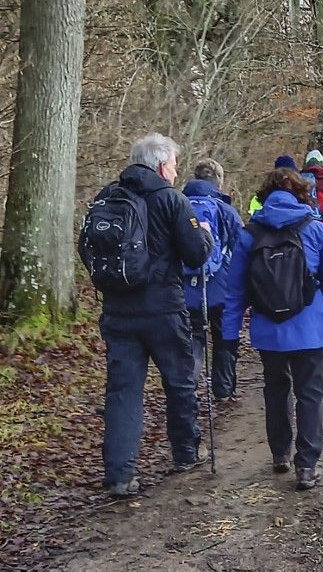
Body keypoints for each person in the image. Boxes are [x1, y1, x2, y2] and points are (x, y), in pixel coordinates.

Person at [78, 133, 213, 498]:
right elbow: (196, 256)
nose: (175, 170)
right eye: (173, 164)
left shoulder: (107, 197)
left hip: (118, 310)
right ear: (161, 165)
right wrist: (205, 234)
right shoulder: (172, 200)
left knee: (123, 392)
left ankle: (120, 474)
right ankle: (185, 453)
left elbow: (86, 247)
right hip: (163, 310)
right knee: (180, 382)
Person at [222, 167, 323, 491]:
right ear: (302, 193)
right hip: (309, 326)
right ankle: (307, 466)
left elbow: (235, 290)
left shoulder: (249, 233)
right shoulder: (316, 229)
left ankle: (280, 452)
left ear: (264, 196)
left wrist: (228, 335)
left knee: (275, 389)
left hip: (269, 329)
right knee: (309, 393)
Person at [181, 158, 244, 403]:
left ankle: (189, 385)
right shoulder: (227, 211)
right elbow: (241, 250)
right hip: (222, 288)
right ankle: (223, 389)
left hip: (186, 289)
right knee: (225, 337)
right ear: (219, 181)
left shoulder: (178, 207)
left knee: (193, 338)